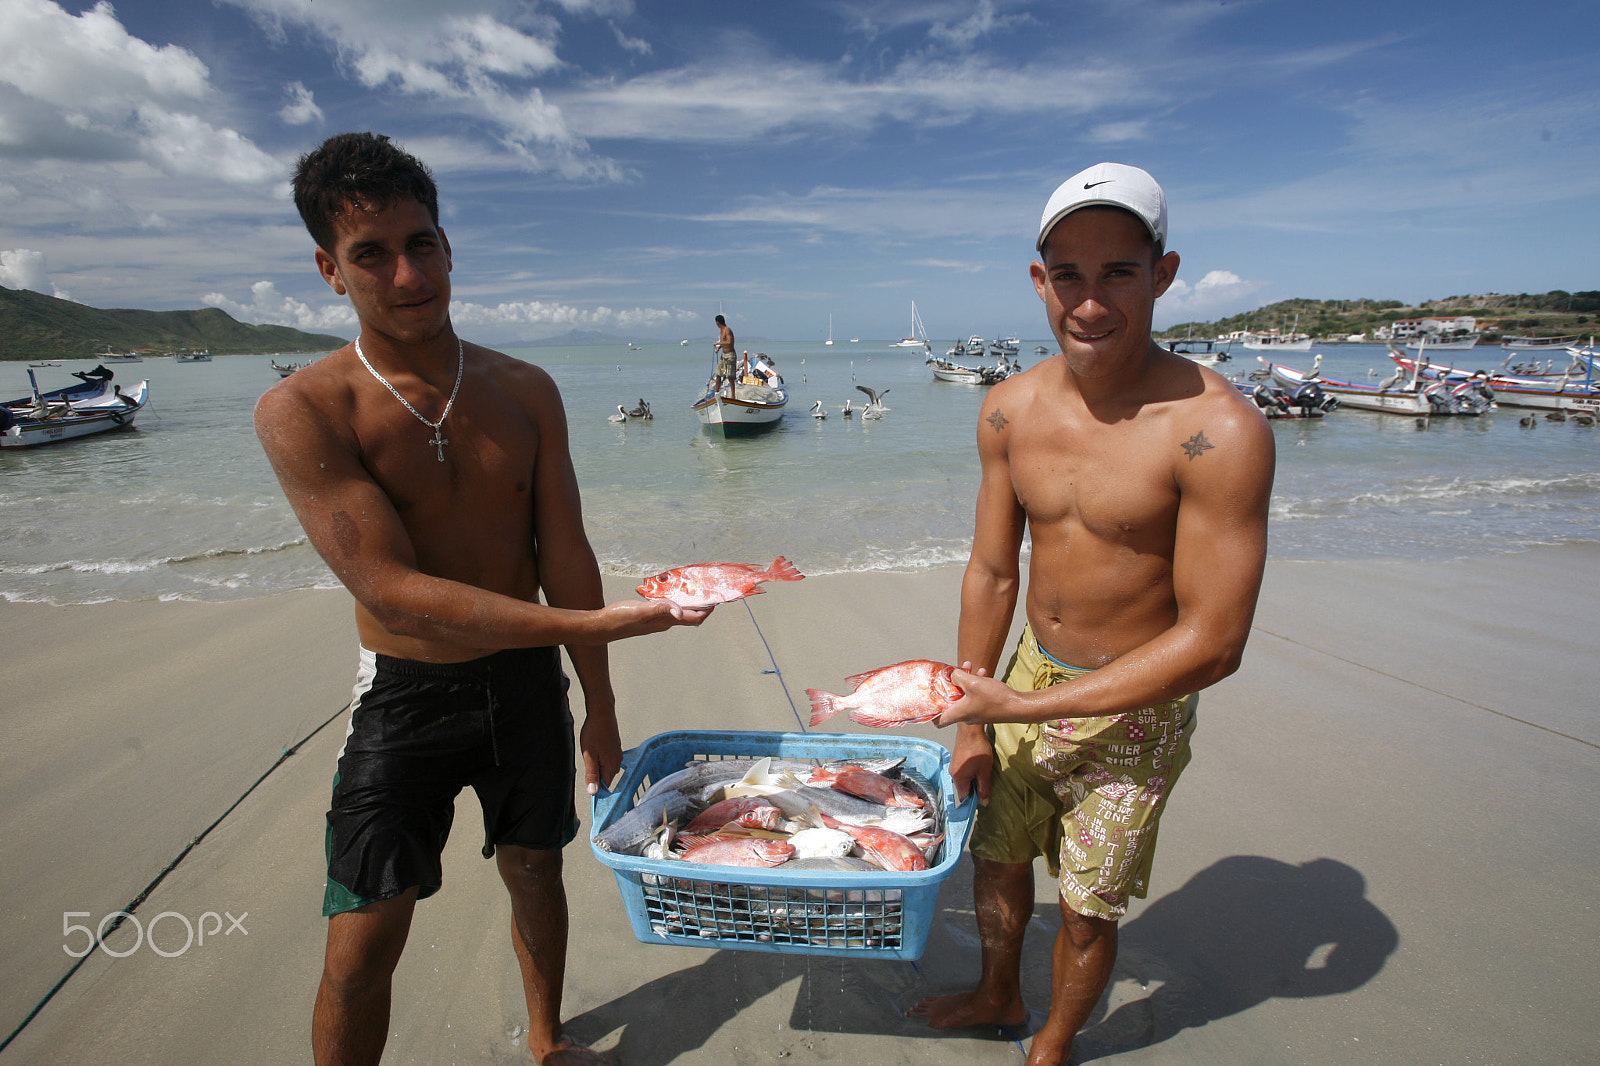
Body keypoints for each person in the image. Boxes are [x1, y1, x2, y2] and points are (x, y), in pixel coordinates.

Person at [255, 131, 710, 1066]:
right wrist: (588, 626)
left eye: (422, 243)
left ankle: (546, 1041)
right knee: (362, 936)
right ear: (330, 271)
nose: (407, 272)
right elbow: (392, 589)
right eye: (370, 254)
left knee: (536, 869)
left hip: (526, 687)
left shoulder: (527, 389)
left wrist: (601, 707)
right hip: (403, 692)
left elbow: (565, 550)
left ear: (449, 246)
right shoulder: (305, 408)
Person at [910, 162, 1275, 1065]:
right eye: (1067, 274)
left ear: (1164, 272)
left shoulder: (1219, 431)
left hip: (1137, 706)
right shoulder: (1008, 411)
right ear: (1039, 282)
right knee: (995, 856)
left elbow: (1215, 642)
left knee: (1086, 899)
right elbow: (994, 569)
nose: (1090, 300)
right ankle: (999, 994)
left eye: (1119, 271)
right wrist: (972, 711)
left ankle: (1054, 1041)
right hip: (1025, 673)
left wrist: (1022, 712)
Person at [712, 314, 736, 392]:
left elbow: (729, 342)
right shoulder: (721, 332)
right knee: (718, 374)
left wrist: (717, 343)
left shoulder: (727, 330)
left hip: (730, 355)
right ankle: (716, 393)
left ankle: (733, 396)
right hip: (723, 355)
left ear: (718, 323)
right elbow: (723, 342)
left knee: (730, 376)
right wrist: (718, 348)